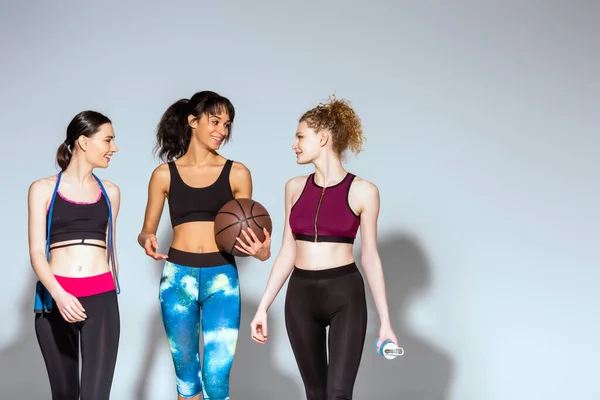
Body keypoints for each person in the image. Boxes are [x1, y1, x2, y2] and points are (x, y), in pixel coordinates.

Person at [250, 96, 399, 399]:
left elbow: (370, 256)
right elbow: (287, 252)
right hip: (300, 296)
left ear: (323, 138)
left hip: (344, 294)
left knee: (338, 394)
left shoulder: (364, 192)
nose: (294, 144)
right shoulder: (293, 187)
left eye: (300, 136)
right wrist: (263, 307)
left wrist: (385, 321)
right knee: (316, 394)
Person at [137, 90, 272, 400]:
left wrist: (262, 252)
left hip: (222, 280)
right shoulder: (163, 175)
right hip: (177, 280)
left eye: (227, 124)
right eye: (215, 121)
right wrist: (147, 239)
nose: (222, 131)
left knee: (217, 377)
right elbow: (145, 231)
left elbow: (247, 230)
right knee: (186, 376)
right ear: (192, 121)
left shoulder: (237, 173)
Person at [28, 110, 121, 400]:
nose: (114, 148)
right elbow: (35, 251)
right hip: (55, 301)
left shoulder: (111, 192)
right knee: (65, 395)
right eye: (108, 140)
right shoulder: (42, 189)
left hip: (101, 301)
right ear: (83, 141)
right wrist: (59, 294)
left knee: (96, 396)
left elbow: (110, 251)